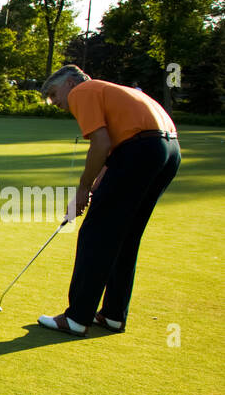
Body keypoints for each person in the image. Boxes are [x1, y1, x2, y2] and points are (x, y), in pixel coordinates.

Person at [36, 64, 180, 336]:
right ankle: (113, 315)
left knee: (96, 233)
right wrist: (100, 180)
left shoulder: (83, 91)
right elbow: (116, 145)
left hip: (141, 150)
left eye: (53, 94)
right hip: (167, 150)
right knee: (126, 235)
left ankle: (77, 317)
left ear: (69, 83)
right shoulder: (111, 90)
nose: (53, 102)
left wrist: (83, 188)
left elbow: (100, 144)